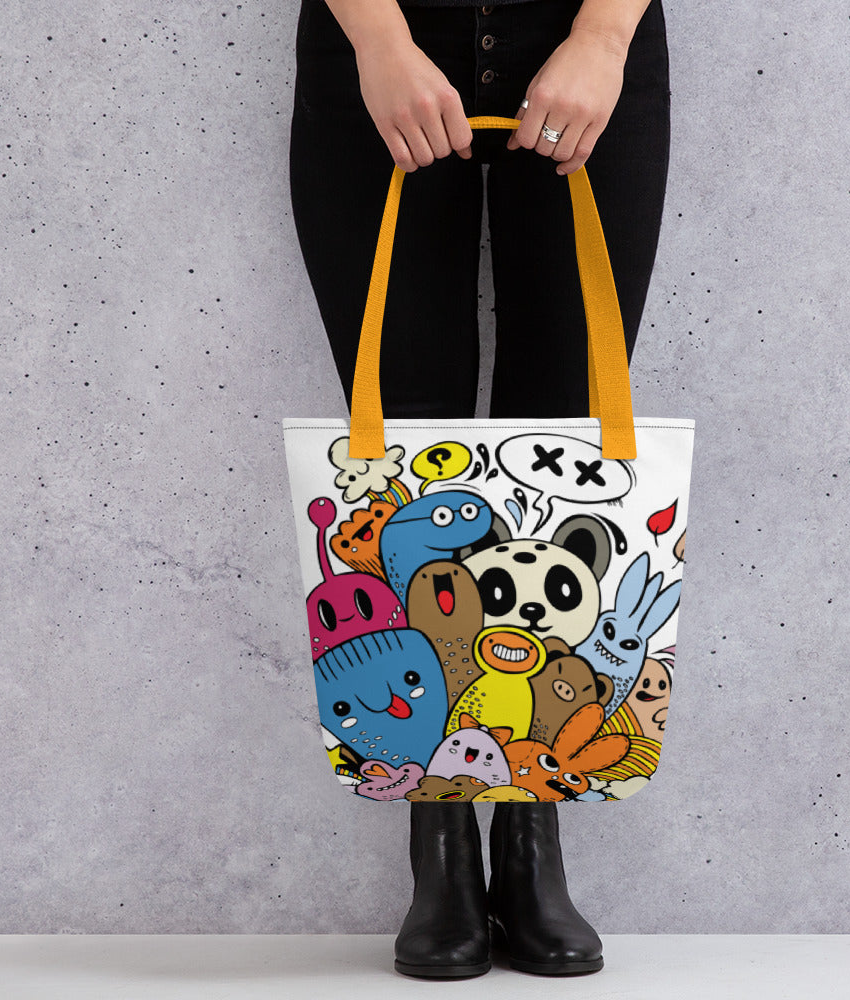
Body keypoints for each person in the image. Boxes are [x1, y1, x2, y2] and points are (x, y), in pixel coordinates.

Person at [289, 0, 671, 979]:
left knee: (566, 440)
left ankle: (531, 834)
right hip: (382, 37)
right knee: (403, 450)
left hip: (585, 34)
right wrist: (379, 41)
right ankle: (442, 842)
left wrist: (604, 38)